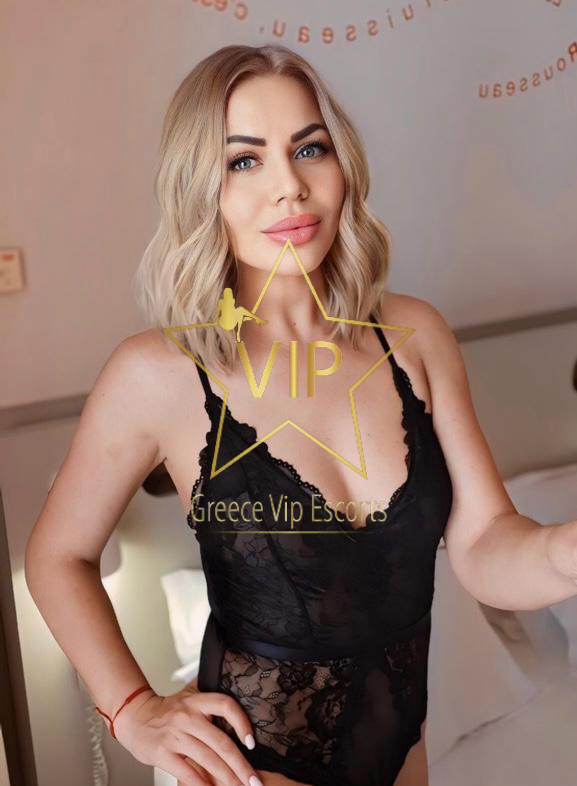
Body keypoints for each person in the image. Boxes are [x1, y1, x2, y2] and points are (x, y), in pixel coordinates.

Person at [24, 43, 577, 786]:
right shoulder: (158, 375)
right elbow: (56, 555)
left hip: (408, 757)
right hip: (256, 767)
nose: (289, 186)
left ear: (341, 165)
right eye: (244, 160)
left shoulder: (415, 338)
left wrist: (566, 550)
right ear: (200, 188)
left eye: (309, 149)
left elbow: (482, 542)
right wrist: (131, 709)